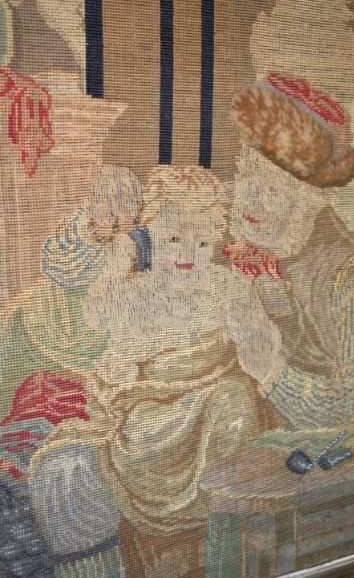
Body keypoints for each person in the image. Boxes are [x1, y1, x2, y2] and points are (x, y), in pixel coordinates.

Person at [30, 164, 282, 578]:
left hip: (213, 411)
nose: (187, 254)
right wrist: (119, 259)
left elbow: (262, 345)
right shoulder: (140, 289)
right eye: (174, 239)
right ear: (150, 235)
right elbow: (98, 316)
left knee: (234, 398)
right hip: (147, 417)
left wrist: (260, 338)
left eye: (202, 242)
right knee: (68, 468)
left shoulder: (226, 285)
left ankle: (225, 525)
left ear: (216, 239)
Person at [226, 74, 354, 430]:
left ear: (314, 199)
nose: (251, 199)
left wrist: (270, 370)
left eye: (273, 190)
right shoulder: (217, 244)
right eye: (247, 175)